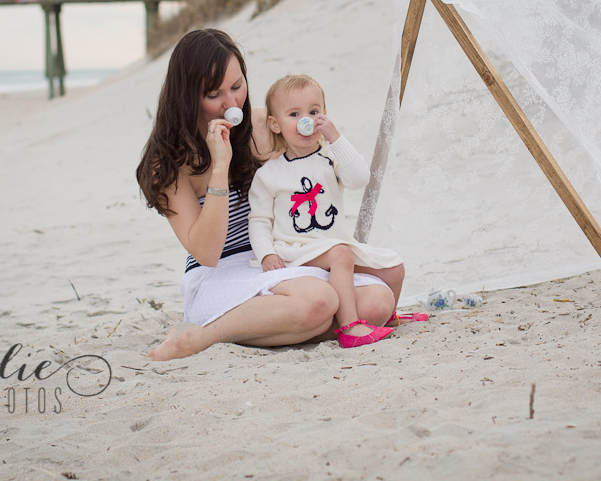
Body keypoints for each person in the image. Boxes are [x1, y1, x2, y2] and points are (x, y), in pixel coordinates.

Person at [136, 29, 405, 361]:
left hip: (277, 258)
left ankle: (285, 323)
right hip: (218, 274)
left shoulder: (263, 124)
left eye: (237, 87)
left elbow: (313, 169)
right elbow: (207, 252)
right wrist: (220, 167)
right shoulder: (168, 161)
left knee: (378, 301)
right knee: (318, 302)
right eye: (214, 94)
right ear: (188, 96)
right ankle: (201, 337)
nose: (232, 103)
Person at [249, 74, 412, 348]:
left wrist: (336, 138)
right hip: (295, 249)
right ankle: (350, 328)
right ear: (275, 124)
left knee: (393, 267)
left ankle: (388, 317)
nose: (306, 120)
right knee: (341, 254)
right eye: (294, 114)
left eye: (314, 112)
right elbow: (259, 220)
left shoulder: (332, 157)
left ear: (324, 115)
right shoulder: (270, 174)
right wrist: (267, 253)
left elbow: (360, 178)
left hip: (332, 245)